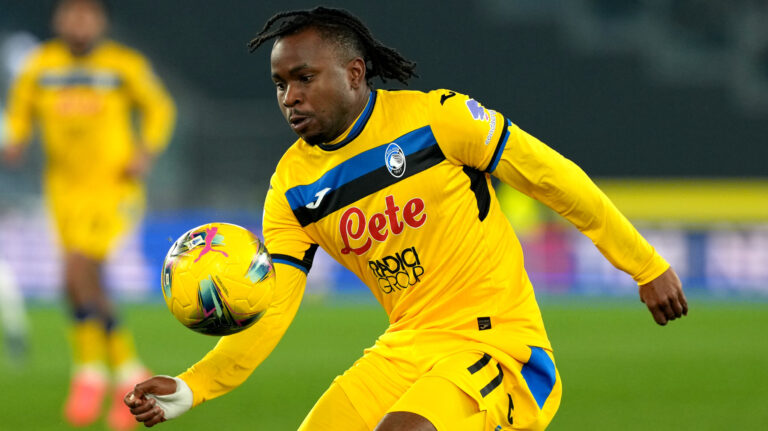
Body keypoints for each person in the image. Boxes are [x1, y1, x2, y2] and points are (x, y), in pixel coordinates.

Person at [124, 7, 686, 431]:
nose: (289, 97)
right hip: (406, 350)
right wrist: (193, 386)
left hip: (499, 349)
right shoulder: (292, 190)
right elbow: (271, 309)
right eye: (279, 84)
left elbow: (552, 177)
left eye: (303, 78)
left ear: (354, 73)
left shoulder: (436, 120)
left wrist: (644, 264)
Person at [1, 0, 175, 429]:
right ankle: (123, 376)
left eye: (87, 13)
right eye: (71, 13)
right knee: (74, 283)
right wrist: (16, 142)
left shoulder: (123, 65)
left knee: (81, 271)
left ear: (101, 20)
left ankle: (96, 373)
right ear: (58, 19)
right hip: (62, 192)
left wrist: (145, 151)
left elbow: (160, 110)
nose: (79, 21)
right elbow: (17, 120)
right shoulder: (40, 66)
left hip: (113, 188)